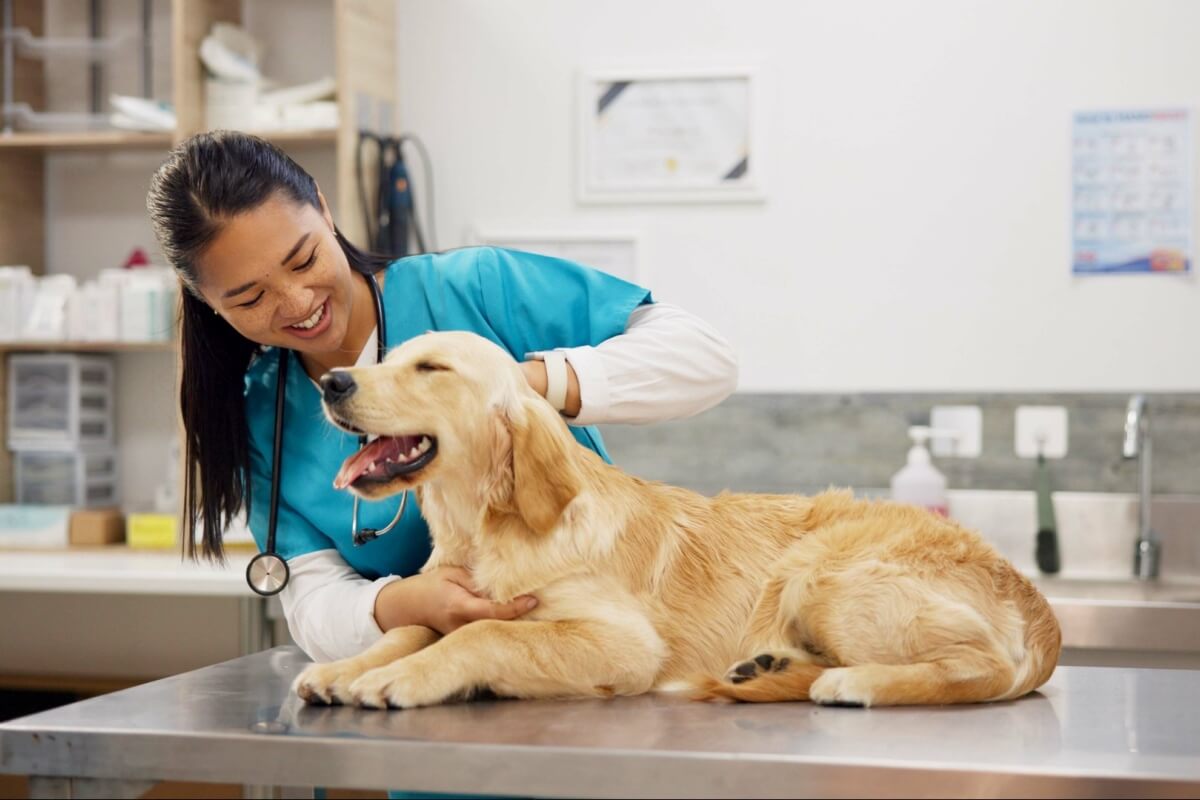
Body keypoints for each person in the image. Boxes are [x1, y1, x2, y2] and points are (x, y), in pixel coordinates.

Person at [147, 129, 738, 665]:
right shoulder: (261, 416)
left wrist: (516, 388)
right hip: (425, 705)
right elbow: (310, 600)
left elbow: (705, 358)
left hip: (591, 666)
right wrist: (402, 604)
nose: (298, 302)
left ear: (325, 211)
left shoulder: (471, 291)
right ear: (208, 302)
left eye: (303, 259)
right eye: (250, 299)